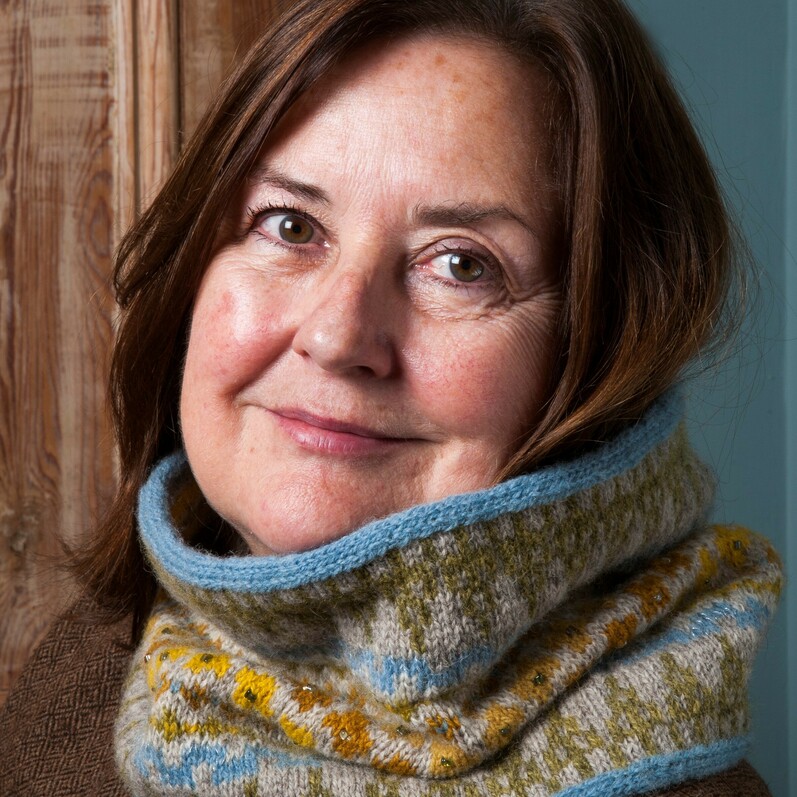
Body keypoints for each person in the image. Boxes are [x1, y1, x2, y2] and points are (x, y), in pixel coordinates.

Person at [0, 0, 782, 794]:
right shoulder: (82, 673)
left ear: (601, 349)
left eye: (461, 266)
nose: (338, 336)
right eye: (291, 227)